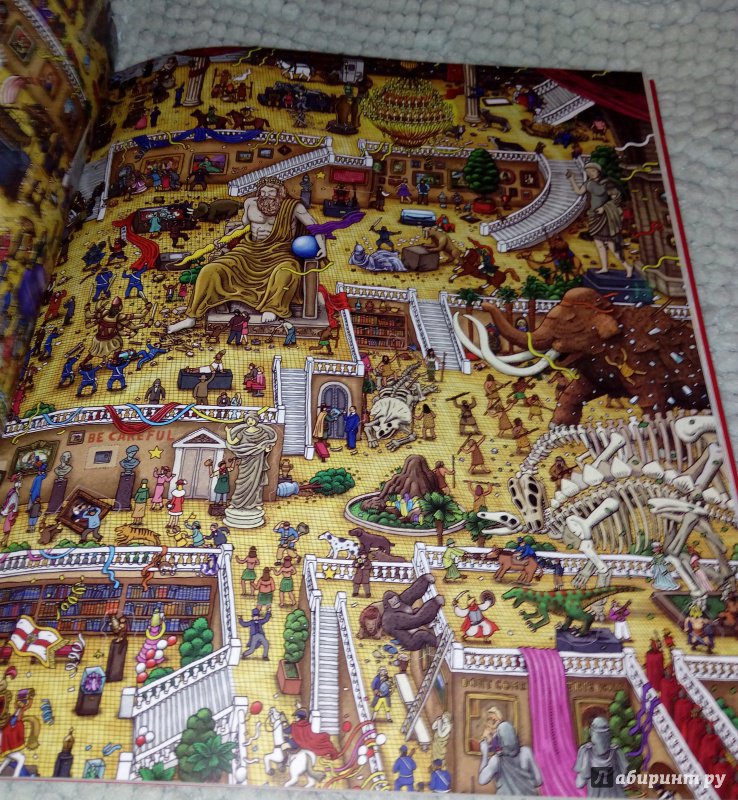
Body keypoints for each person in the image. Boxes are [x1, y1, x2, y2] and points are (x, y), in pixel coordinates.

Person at [168, 177, 327, 331]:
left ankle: (273, 308)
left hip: (280, 253)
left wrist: (322, 247)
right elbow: (242, 226)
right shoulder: (250, 203)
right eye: (262, 192)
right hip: (248, 250)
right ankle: (192, 317)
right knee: (210, 270)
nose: (265, 196)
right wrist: (224, 239)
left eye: (270, 192)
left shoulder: (293, 207)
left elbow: (315, 227)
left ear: (280, 193)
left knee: (287, 271)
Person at [566, 161, 633, 277]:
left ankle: (627, 267)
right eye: (588, 172)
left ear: (598, 171)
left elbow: (617, 198)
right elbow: (579, 191)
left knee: (611, 244)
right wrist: (572, 179)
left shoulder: (607, 184)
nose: (591, 173)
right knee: (599, 244)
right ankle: (604, 267)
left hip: (606, 217)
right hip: (594, 216)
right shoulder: (588, 183)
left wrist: (604, 208)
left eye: (593, 171)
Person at [479, 721, 542, 795]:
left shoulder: (497, 760)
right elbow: (538, 780)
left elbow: (482, 780)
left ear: (500, 741)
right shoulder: (526, 752)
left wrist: (485, 754)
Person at [574, 716, 629, 797]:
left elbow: (579, 783)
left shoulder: (587, 753)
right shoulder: (616, 752)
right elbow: (625, 782)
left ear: (591, 732)